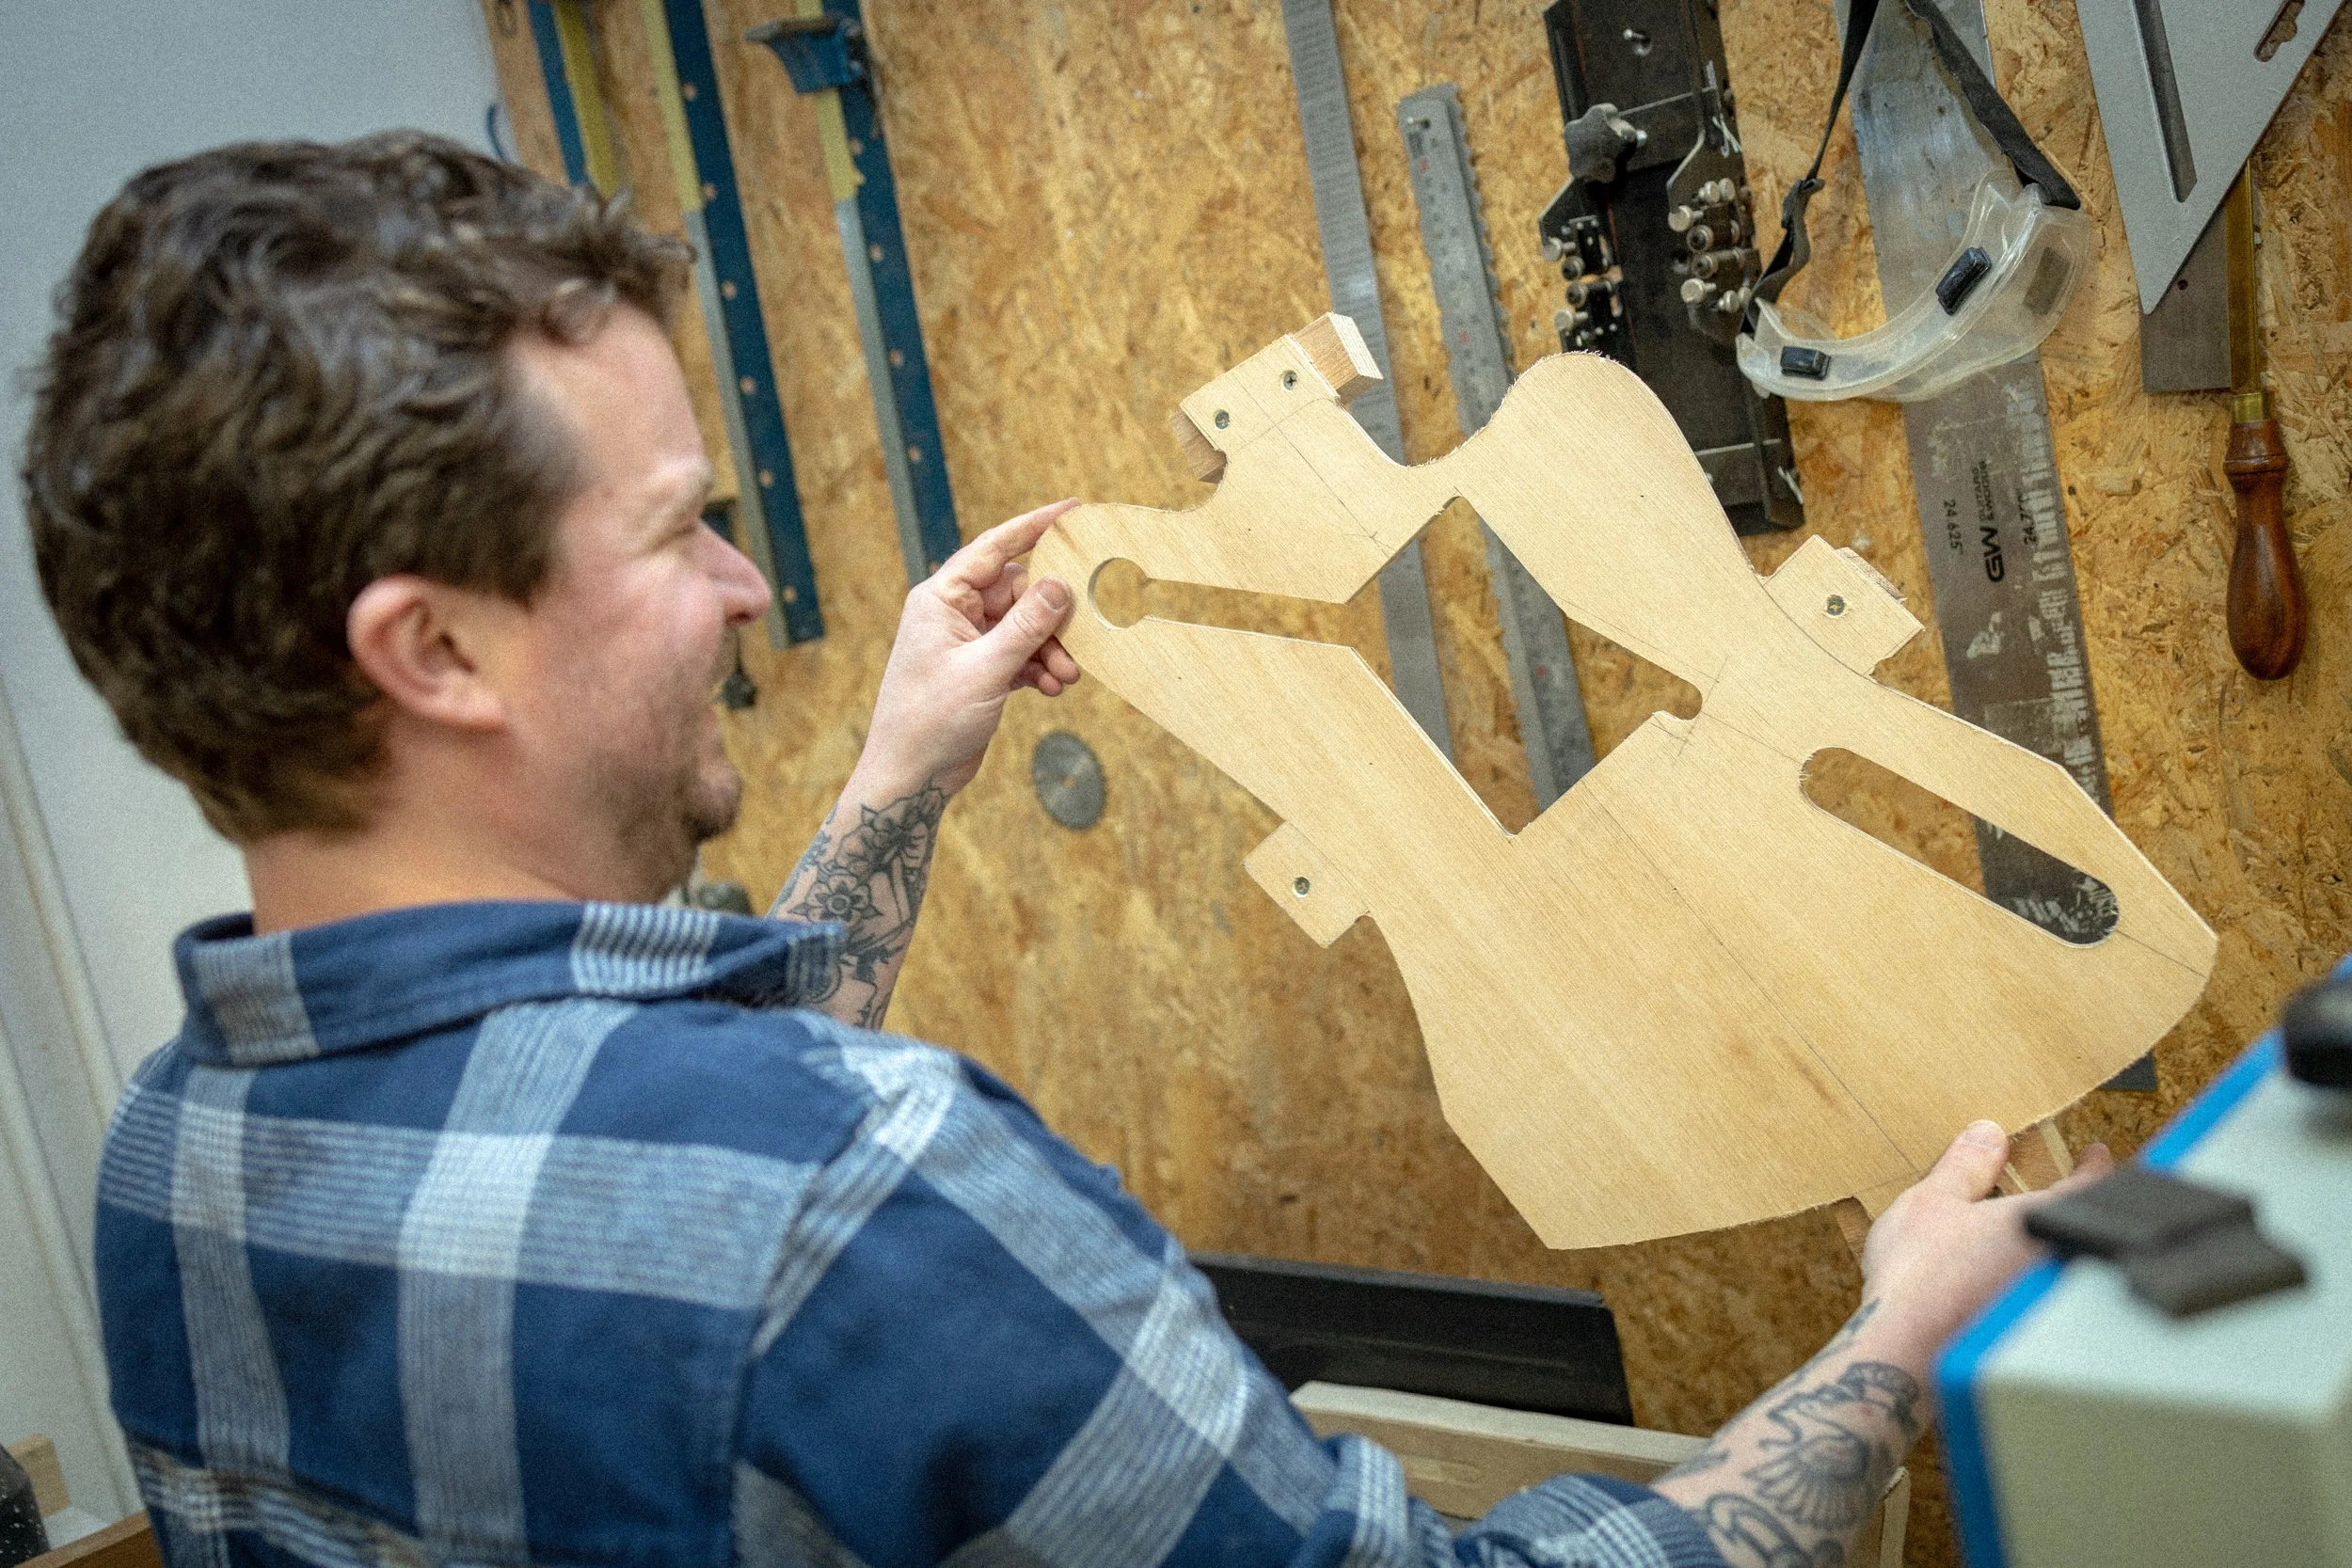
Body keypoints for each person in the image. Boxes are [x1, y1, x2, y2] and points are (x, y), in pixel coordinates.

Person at [27, 133, 2111, 1568]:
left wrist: (891, 785)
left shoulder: (171, 1157)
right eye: (677, 529)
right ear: (435, 648)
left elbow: (609, 1145)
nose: (751, 589)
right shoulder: (853, 1196)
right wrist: (1891, 1344)